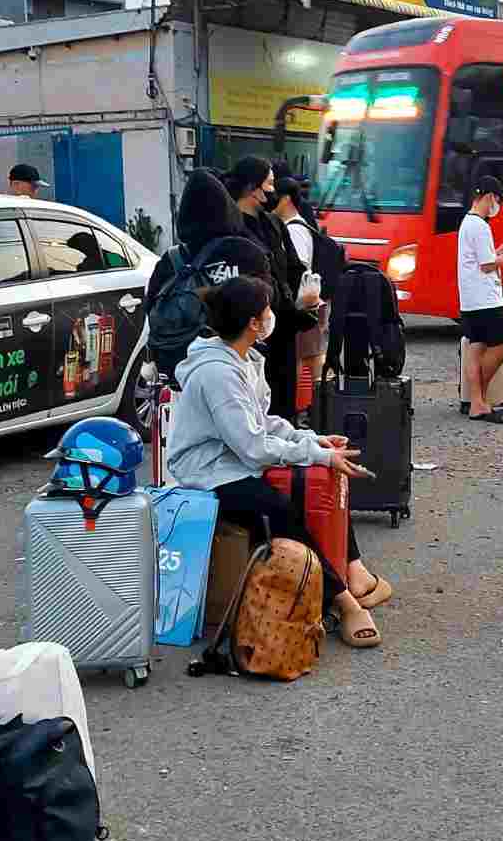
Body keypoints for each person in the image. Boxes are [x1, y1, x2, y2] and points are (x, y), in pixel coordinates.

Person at [168, 275, 392, 647]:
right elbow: (253, 446)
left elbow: (263, 422)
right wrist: (317, 452)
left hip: (234, 461)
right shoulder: (217, 373)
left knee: (320, 479)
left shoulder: (244, 359)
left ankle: (351, 570)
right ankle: (343, 600)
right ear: (254, 323)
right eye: (267, 309)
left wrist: (311, 441)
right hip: (206, 472)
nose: (272, 316)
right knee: (278, 509)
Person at [224, 156, 320, 422]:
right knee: (257, 412)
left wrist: (305, 296)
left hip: (285, 329)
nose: (272, 190)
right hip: (254, 336)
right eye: (268, 183)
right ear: (253, 188)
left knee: (283, 410)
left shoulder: (273, 224)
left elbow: (293, 267)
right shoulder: (231, 230)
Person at [459, 176, 503, 424]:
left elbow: (480, 259)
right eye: (498, 200)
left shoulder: (468, 223)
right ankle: (477, 400)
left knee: (476, 348)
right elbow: (486, 266)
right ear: (488, 197)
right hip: (486, 299)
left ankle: (477, 403)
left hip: (470, 298)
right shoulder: (480, 225)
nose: (499, 206)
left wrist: (497, 252)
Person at [274, 174, 329, 393]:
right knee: (310, 356)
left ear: (286, 199)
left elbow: (300, 268)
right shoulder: (297, 225)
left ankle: (312, 408)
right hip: (307, 303)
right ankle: (314, 406)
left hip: (303, 304)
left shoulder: (294, 229)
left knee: (304, 358)